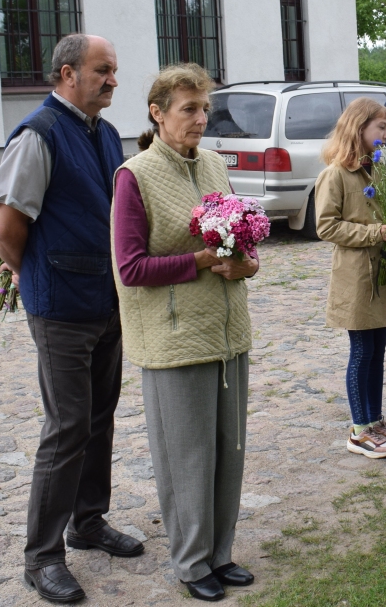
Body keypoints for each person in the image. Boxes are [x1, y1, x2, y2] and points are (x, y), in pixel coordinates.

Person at [0, 34, 142, 603]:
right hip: (61, 309)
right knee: (67, 426)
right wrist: (39, 282)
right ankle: (42, 557)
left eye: (115, 70)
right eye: (103, 70)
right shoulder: (40, 134)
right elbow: (8, 231)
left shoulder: (101, 133)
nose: (113, 81)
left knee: (99, 417)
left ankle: (88, 522)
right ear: (66, 73)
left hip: (107, 302)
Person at [111, 63, 258, 601]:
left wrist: (247, 264)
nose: (200, 119)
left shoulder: (216, 165)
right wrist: (197, 260)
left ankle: (220, 553)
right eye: (188, 109)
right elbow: (130, 268)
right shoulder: (135, 175)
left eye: (204, 109)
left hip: (226, 331)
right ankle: (192, 562)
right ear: (157, 113)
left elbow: (240, 241)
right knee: (188, 457)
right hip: (174, 338)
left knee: (228, 449)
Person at [315, 98, 386, 459]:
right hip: (356, 277)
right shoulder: (336, 173)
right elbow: (325, 225)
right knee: (362, 352)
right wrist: (374, 233)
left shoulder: (382, 170)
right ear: (358, 129)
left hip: (384, 273)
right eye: (380, 128)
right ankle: (359, 429)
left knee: (378, 351)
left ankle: (375, 419)